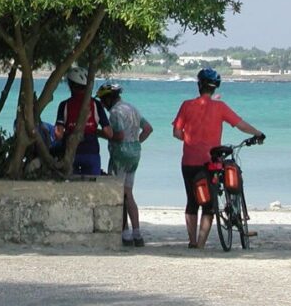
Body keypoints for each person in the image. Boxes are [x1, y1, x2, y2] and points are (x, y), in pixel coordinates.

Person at [172, 67, 265, 249]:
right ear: (215, 88)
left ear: (199, 86)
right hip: (211, 162)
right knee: (208, 205)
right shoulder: (220, 107)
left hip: (189, 161)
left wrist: (190, 139)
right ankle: (200, 243)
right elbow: (240, 125)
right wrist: (258, 133)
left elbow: (176, 132)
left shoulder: (186, 105)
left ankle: (191, 241)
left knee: (192, 202)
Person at [97, 82, 153, 247]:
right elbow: (148, 129)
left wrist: (99, 133)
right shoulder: (132, 108)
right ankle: (137, 234)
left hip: (120, 155)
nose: (101, 104)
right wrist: (136, 142)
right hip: (135, 154)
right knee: (128, 192)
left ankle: (125, 234)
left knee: (119, 194)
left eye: (102, 100)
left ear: (108, 99)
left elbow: (119, 136)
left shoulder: (115, 112)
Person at [54, 66, 113, 176]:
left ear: (71, 85)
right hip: (91, 152)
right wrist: (92, 130)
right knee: (92, 186)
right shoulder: (96, 105)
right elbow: (109, 133)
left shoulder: (64, 105)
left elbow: (58, 135)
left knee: (71, 187)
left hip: (71, 153)